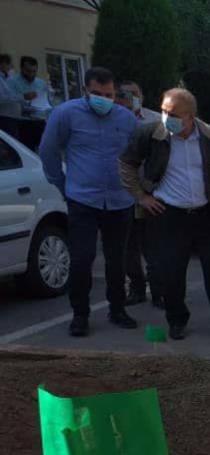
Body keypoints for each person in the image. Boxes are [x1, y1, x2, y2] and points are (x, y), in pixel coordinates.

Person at [119, 88, 210, 341]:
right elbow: (126, 164)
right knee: (171, 272)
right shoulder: (150, 135)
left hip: (204, 213)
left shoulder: (209, 136)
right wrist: (141, 197)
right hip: (168, 214)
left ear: (190, 116)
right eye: (163, 111)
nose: (166, 118)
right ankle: (177, 320)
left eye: (173, 114)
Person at [39, 66, 138, 337]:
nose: (103, 99)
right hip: (83, 199)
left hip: (119, 200)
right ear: (85, 90)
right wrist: (62, 184)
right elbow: (48, 151)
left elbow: (137, 154)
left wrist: (137, 188)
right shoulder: (65, 114)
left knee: (117, 259)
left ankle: (117, 309)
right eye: (97, 94)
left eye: (109, 95)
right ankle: (80, 314)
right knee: (82, 258)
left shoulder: (126, 118)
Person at [116, 80, 162, 306]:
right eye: (126, 94)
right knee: (128, 247)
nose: (131, 98)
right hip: (123, 193)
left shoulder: (156, 120)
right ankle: (136, 287)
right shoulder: (113, 120)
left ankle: (159, 290)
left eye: (135, 93)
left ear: (142, 96)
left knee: (154, 247)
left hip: (151, 192)